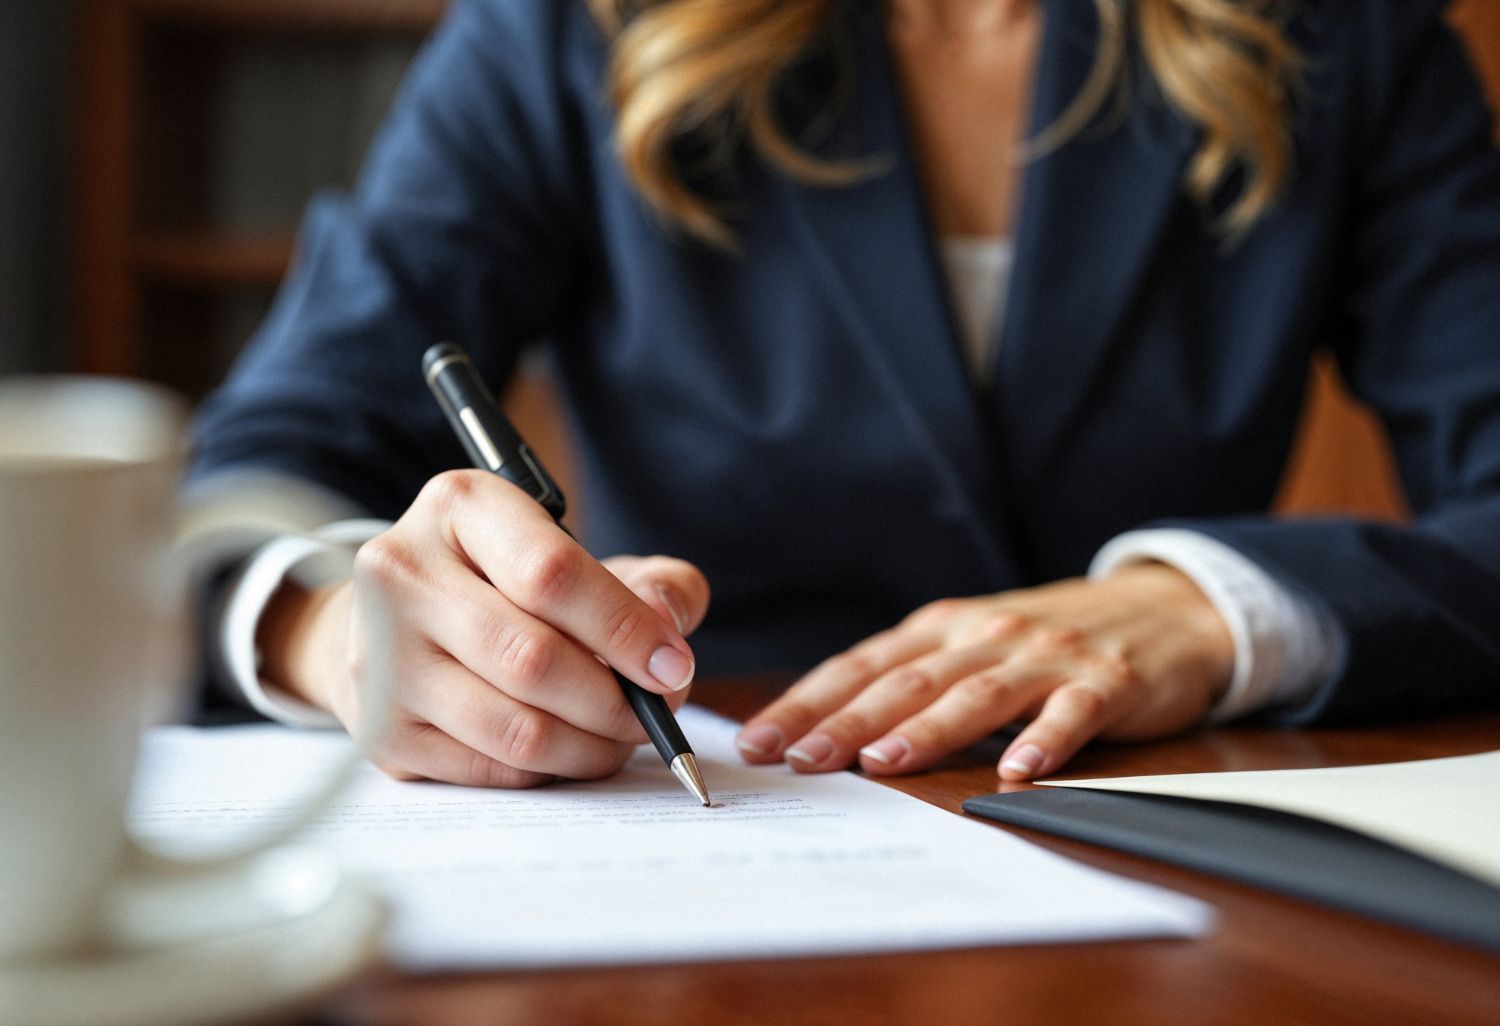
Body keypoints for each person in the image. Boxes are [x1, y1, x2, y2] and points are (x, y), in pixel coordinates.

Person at [188, 0, 1500, 790]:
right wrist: (330, 631)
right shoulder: (571, 26)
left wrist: (1217, 611)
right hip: (704, 826)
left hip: (1179, 869)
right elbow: (262, 460)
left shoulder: (1350, 36)